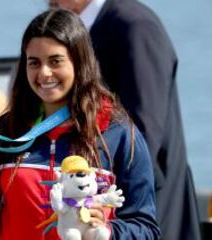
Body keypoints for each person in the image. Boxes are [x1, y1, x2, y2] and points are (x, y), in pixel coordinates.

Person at [0, 9, 160, 240]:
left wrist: (108, 232)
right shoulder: (7, 133)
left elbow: (147, 230)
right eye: (34, 63)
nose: (44, 73)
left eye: (55, 61)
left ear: (79, 62)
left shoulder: (117, 134)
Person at [49, 1, 202, 239]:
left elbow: (144, 133)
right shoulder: (83, 29)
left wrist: (104, 203)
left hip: (145, 211)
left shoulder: (136, 27)